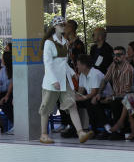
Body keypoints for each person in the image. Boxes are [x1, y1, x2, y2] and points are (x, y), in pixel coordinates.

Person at [39, 16, 93, 144]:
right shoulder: (49, 43)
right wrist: (53, 80)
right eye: (61, 25)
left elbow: (64, 63)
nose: (63, 26)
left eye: (64, 24)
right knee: (46, 108)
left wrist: (73, 73)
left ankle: (80, 133)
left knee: (72, 105)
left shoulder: (65, 41)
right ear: (55, 27)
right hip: (52, 82)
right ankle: (44, 134)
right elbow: (48, 63)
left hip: (64, 80)